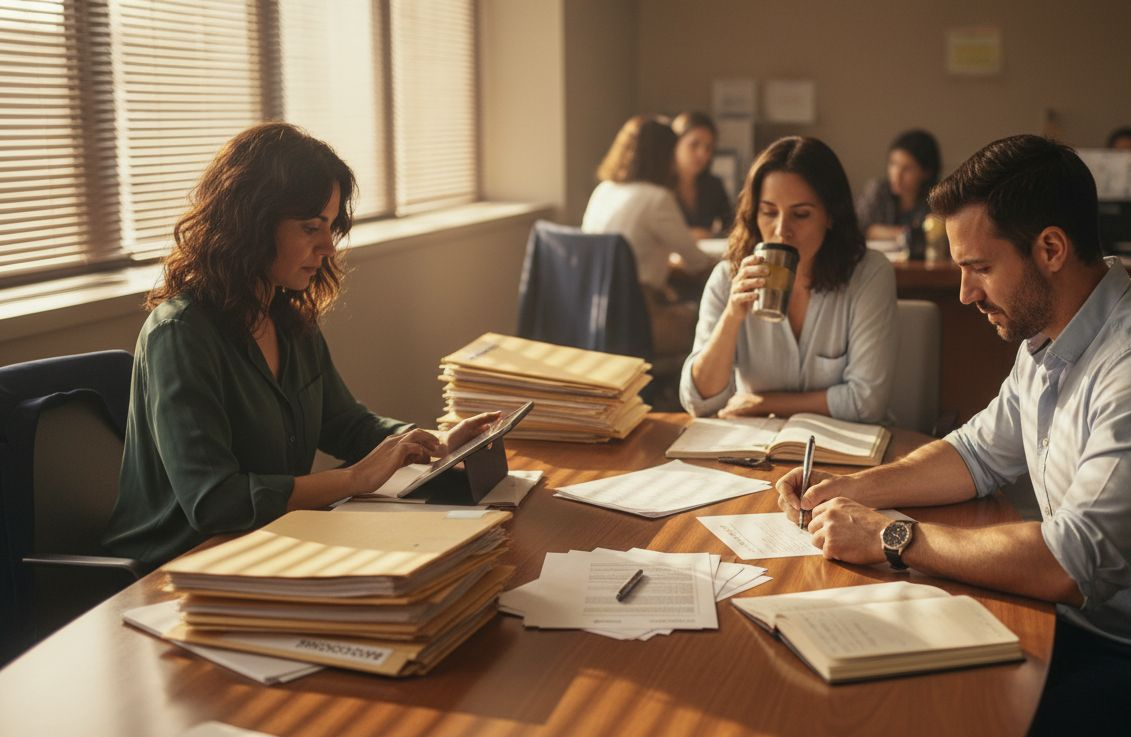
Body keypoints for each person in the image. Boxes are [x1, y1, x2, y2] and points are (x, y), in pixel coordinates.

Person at [775, 134, 1131, 737]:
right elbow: (974, 455)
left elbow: (1073, 562)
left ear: (1051, 249)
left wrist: (893, 536)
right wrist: (850, 489)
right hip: (1090, 632)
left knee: (937, 731)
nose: (964, 293)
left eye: (979, 268)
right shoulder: (1049, 339)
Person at [103, 123, 497, 567]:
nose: (328, 247)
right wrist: (353, 479)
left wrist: (434, 442)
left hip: (269, 544)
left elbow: (345, 423)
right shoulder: (178, 335)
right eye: (310, 227)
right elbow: (215, 502)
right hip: (178, 565)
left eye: (330, 226)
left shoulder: (289, 322)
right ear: (250, 225)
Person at [679, 136, 897, 424]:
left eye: (801, 214)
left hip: (847, 451)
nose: (782, 230)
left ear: (831, 215)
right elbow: (698, 401)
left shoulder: (869, 274)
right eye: (769, 212)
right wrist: (732, 317)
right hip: (753, 449)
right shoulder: (728, 276)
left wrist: (763, 403)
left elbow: (866, 403)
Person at [582, 114, 718, 357]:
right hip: (638, 317)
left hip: (593, 314)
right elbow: (697, 262)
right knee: (710, 320)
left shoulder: (603, 191)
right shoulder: (657, 198)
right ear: (667, 155)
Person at [855, 129, 941, 244]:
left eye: (907, 168)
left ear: (926, 172)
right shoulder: (878, 191)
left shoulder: (936, 197)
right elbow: (858, 227)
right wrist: (901, 233)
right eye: (893, 164)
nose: (896, 175)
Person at [671, 111, 734, 238]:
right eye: (694, 145)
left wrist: (711, 235)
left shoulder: (714, 185)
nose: (703, 154)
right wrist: (688, 235)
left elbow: (733, 228)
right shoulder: (660, 185)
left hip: (704, 254)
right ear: (675, 144)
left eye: (709, 148)